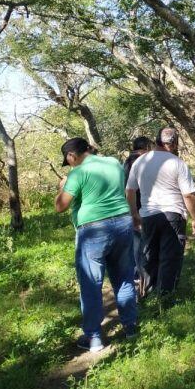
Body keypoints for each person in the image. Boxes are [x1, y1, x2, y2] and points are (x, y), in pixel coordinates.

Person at [54, 137, 138, 352]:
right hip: (122, 222)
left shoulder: (77, 173)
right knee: (124, 278)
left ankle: (93, 338)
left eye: (68, 160)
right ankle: (131, 328)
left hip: (93, 229)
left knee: (91, 284)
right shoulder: (113, 163)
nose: (70, 164)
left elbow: (61, 206)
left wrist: (62, 187)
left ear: (72, 156)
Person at [125, 127, 195, 296]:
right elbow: (188, 195)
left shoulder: (140, 161)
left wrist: (134, 215)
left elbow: (129, 191)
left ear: (157, 141)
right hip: (173, 215)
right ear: (173, 143)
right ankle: (166, 298)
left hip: (148, 215)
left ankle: (149, 295)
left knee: (149, 256)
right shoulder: (177, 163)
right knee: (170, 258)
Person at [122, 136, 153, 291]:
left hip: (129, 208)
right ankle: (143, 281)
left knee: (136, 245)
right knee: (143, 247)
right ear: (147, 147)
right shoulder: (141, 162)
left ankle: (137, 277)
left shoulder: (126, 163)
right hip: (141, 208)